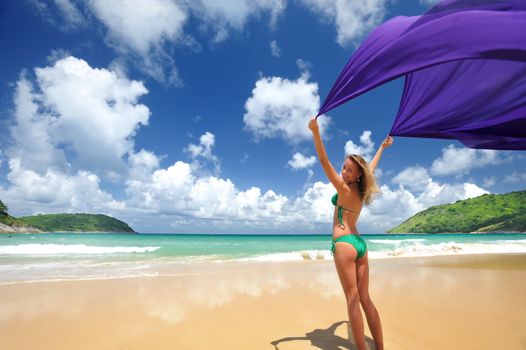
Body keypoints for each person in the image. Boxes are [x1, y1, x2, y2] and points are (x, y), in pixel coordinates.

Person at [308, 117, 393, 350]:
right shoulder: (361, 190)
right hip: (360, 244)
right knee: (365, 299)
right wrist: (381, 149)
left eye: (348, 170)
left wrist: (315, 132)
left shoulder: (343, 189)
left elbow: (323, 161)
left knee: (353, 300)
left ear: (357, 175)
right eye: (343, 167)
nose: (343, 172)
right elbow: (371, 168)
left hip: (344, 244)